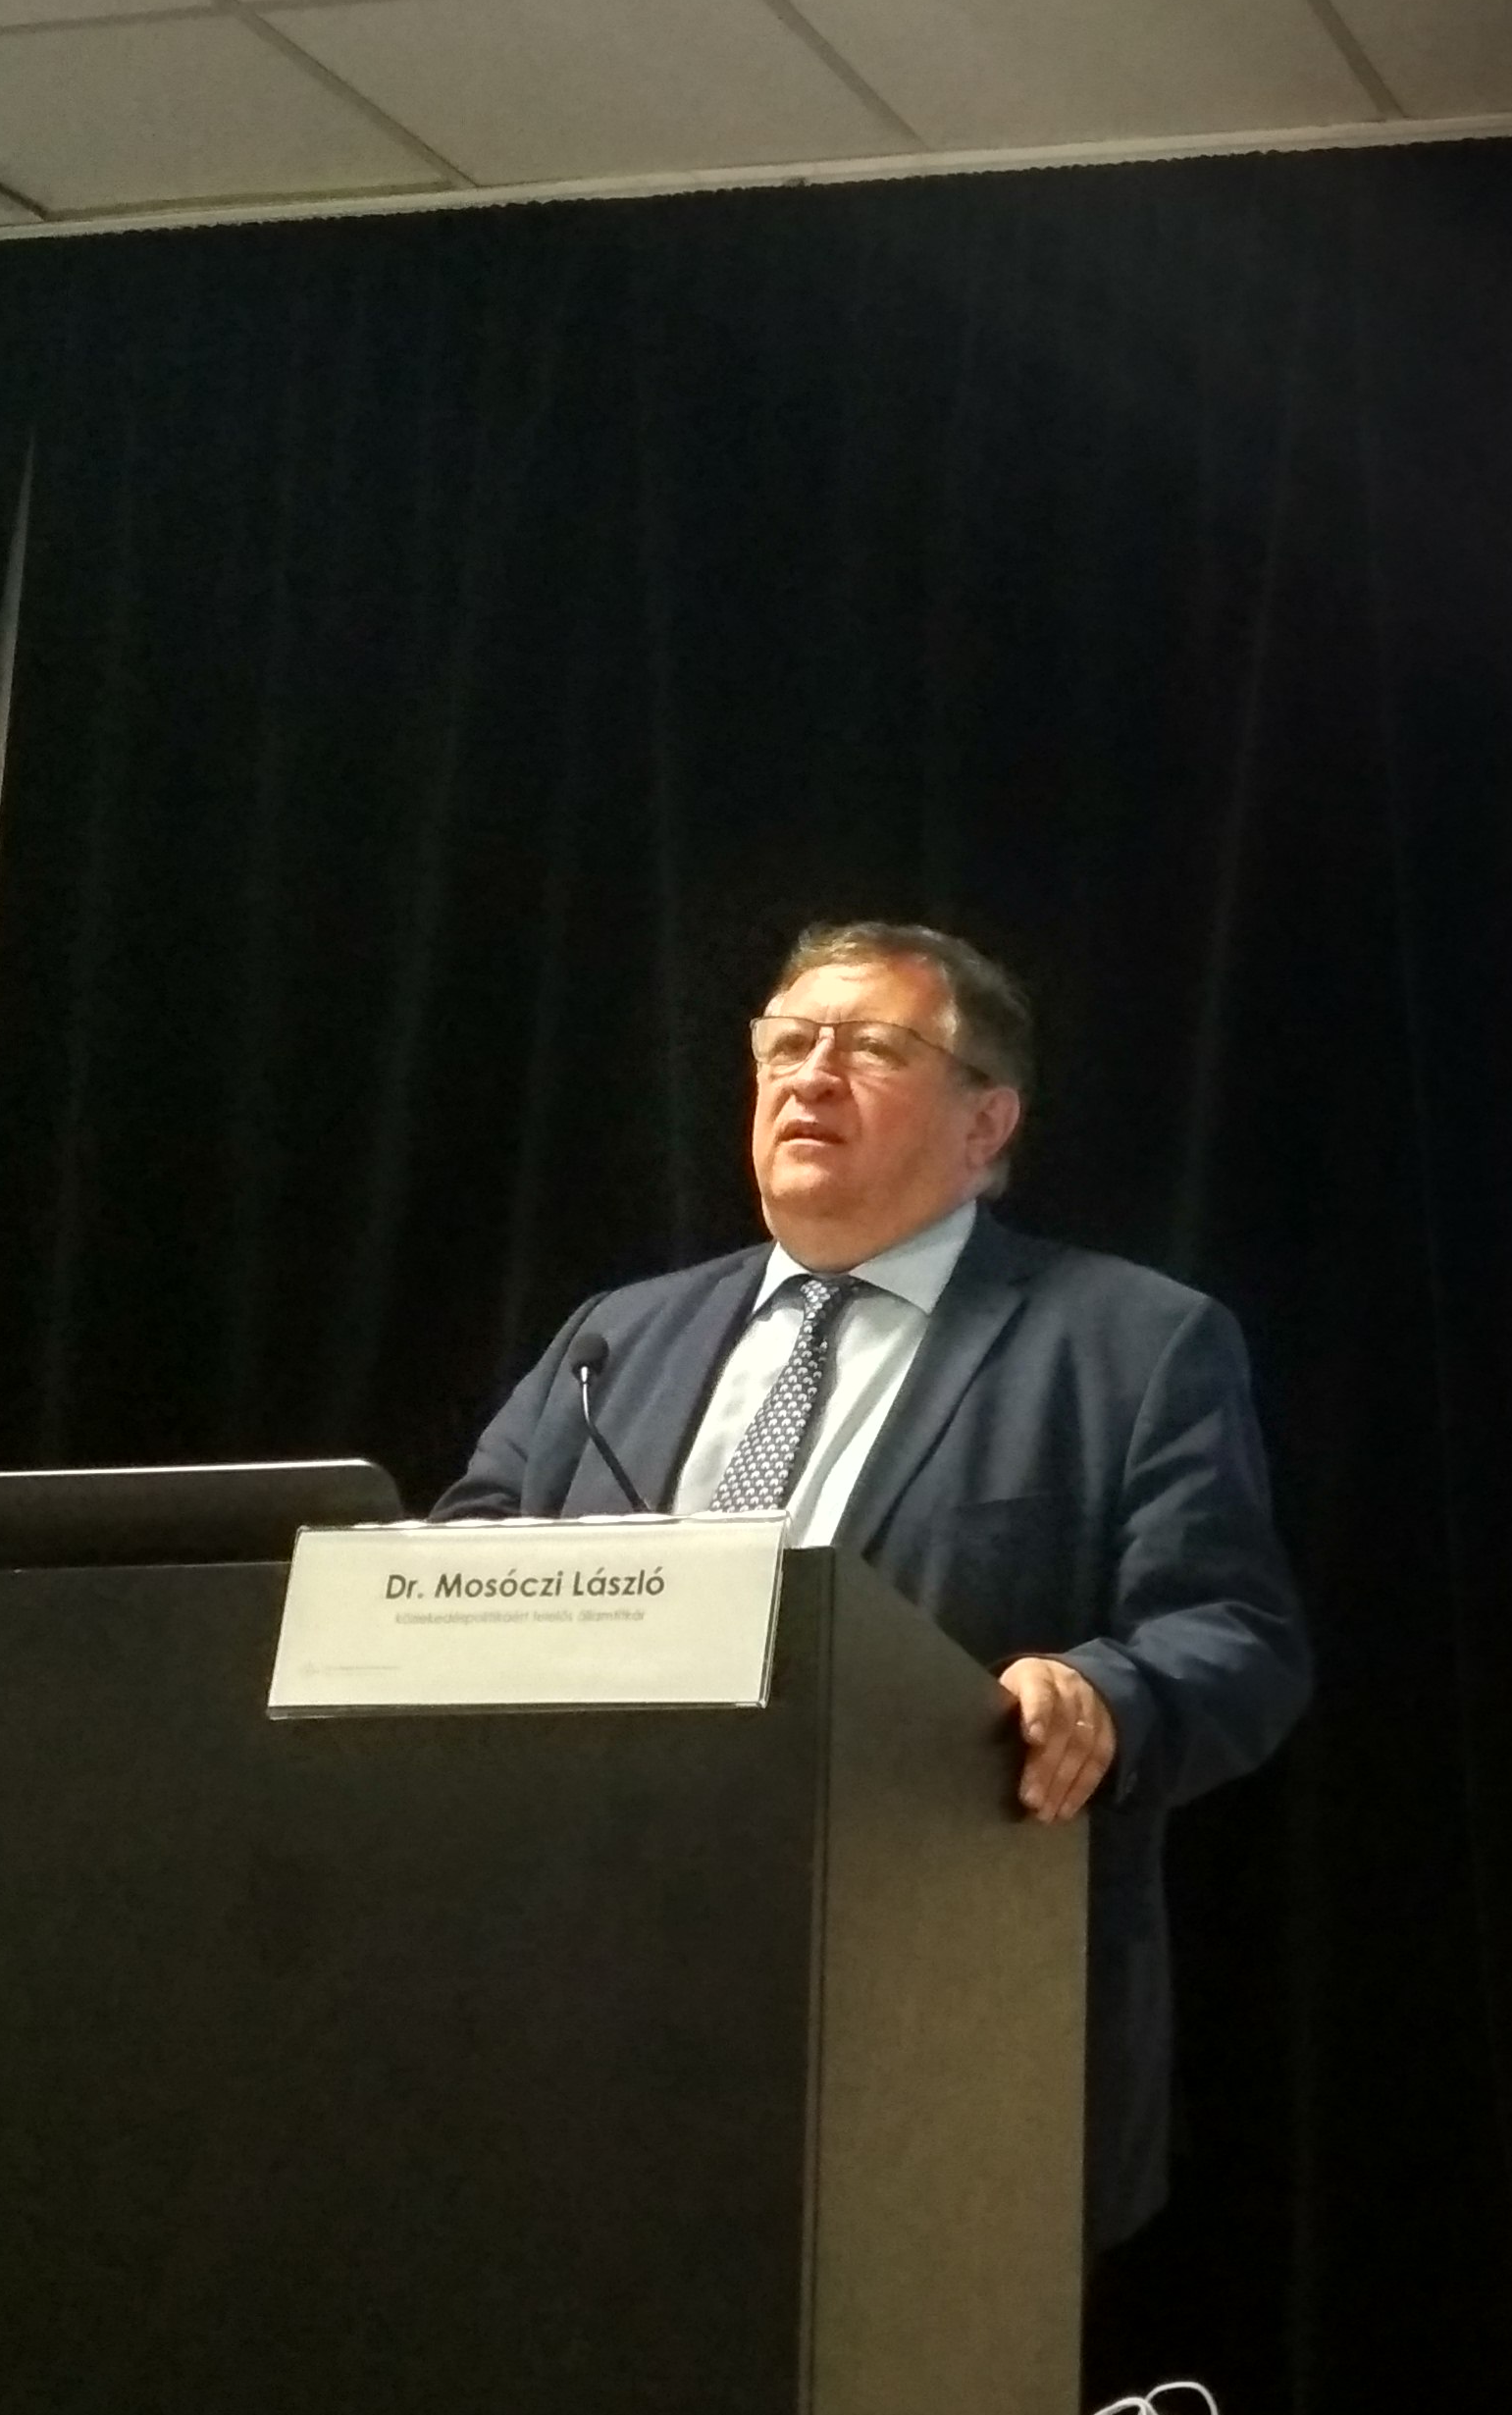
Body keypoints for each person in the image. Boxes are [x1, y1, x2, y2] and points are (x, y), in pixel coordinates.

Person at [435, 919, 1310, 2248]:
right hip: (596, 1989)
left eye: (871, 1048)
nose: (810, 1075)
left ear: (986, 1122)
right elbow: (467, 1549)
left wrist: (1102, 1693)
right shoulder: (617, 1337)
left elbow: (1234, 1632)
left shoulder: (1129, 1342)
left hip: (939, 2016)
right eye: (785, 1043)